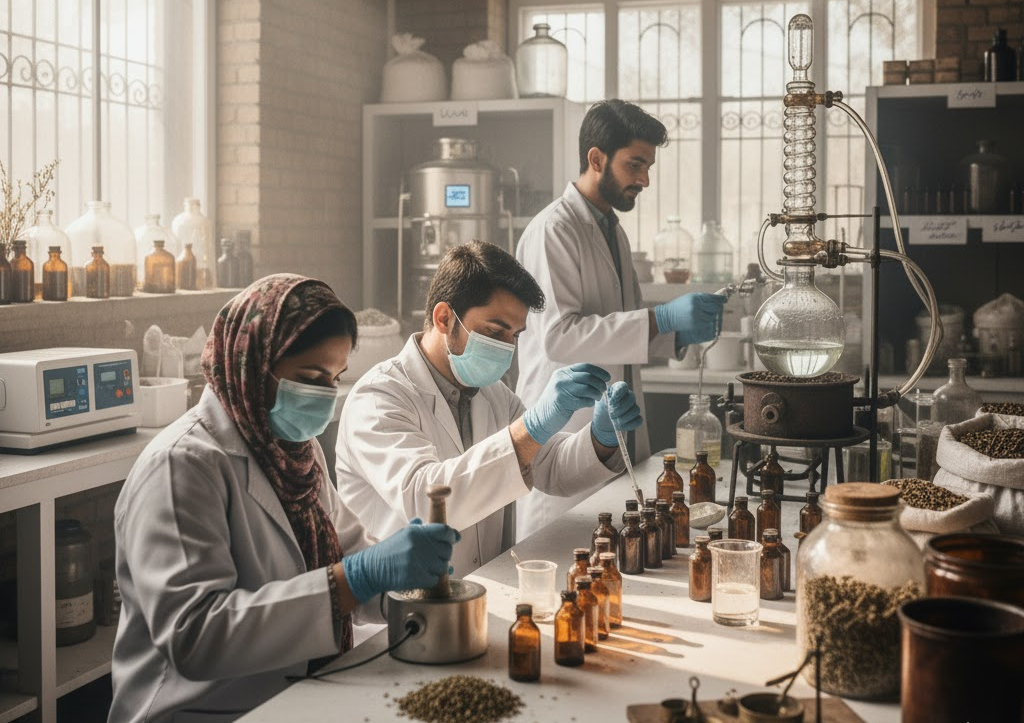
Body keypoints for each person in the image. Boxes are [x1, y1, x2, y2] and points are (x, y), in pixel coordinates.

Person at [109, 275, 459, 723]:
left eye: (334, 379)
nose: (325, 396)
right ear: (253, 363)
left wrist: (402, 584)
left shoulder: (294, 451)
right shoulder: (182, 466)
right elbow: (195, 637)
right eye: (310, 378)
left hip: (297, 694)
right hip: (200, 708)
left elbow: (346, 547)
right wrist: (354, 579)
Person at [335, 241, 643, 575]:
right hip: (401, 610)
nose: (506, 347)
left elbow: (550, 468)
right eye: (494, 331)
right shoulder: (379, 398)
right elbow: (427, 501)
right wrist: (531, 427)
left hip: (478, 592)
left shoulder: (491, 393)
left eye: (515, 335)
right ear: (443, 318)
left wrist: (601, 437)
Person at [514, 99, 727, 539]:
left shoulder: (611, 228)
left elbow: (618, 330)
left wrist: (675, 334)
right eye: (635, 165)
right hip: (565, 441)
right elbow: (559, 337)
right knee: (564, 579)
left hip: (617, 436)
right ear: (596, 158)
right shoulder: (553, 230)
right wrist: (662, 317)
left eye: (648, 167)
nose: (645, 179)